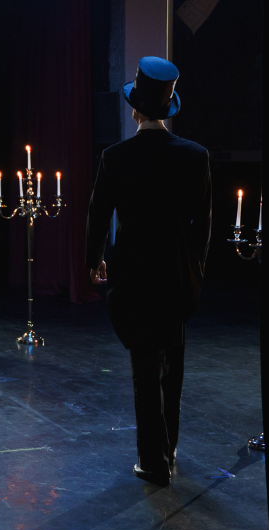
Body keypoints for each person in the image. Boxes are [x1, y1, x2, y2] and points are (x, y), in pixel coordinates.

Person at [84, 57, 211, 485]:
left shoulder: (116, 157)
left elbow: (98, 215)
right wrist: (193, 269)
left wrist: (93, 258)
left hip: (135, 278)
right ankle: (168, 450)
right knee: (172, 366)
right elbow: (203, 225)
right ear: (169, 104)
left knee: (144, 370)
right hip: (176, 277)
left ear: (136, 109)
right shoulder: (196, 157)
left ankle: (152, 461)